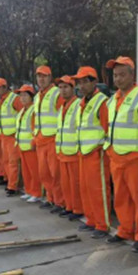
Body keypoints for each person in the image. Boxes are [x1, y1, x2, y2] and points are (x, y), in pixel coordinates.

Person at [104, 56, 138, 251]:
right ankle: (125, 230)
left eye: (122, 75)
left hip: (135, 157)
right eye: (115, 75)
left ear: (132, 75)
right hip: (116, 156)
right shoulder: (112, 100)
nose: (118, 79)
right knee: (121, 196)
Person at [73, 66, 111, 239]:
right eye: (79, 83)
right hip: (84, 151)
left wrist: (101, 148)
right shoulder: (83, 102)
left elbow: (106, 128)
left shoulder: (101, 102)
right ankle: (91, 220)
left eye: (84, 82)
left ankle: (102, 224)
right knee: (86, 188)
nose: (81, 86)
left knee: (98, 189)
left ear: (94, 82)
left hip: (96, 152)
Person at [33, 66, 66, 212]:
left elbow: (63, 114)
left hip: (52, 139)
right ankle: (50, 198)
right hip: (41, 139)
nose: (41, 79)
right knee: (44, 173)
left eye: (44, 76)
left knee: (55, 174)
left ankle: (60, 201)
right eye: (39, 76)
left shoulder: (55, 94)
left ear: (50, 77)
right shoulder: (37, 96)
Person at [55, 75, 84, 218]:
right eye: (60, 88)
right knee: (66, 183)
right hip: (63, 151)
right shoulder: (63, 107)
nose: (63, 91)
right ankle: (69, 206)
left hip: (73, 151)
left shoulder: (78, 105)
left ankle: (78, 209)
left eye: (66, 87)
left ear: (73, 88)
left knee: (75, 184)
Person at [0, 77, 24, 195]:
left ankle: (13, 186)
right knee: (6, 160)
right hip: (4, 135)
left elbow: (23, 113)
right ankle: (8, 181)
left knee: (13, 162)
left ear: (4, 87)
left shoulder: (14, 99)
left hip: (12, 135)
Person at [15, 84, 41, 200]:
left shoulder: (33, 111)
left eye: (25, 95)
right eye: (21, 96)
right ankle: (29, 190)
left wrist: (34, 142)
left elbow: (35, 128)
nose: (22, 98)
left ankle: (36, 192)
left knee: (34, 171)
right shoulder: (22, 111)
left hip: (30, 146)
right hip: (22, 146)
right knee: (26, 171)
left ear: (31, 97)